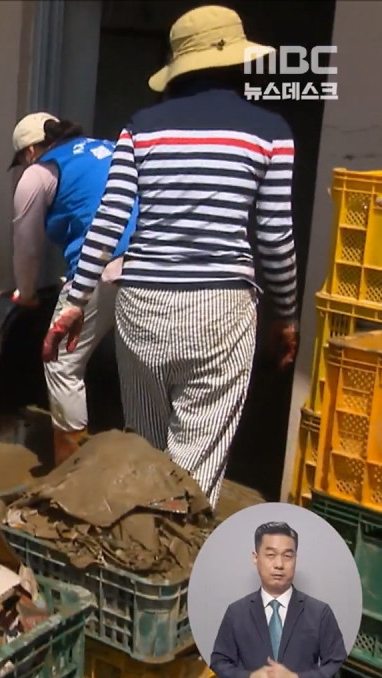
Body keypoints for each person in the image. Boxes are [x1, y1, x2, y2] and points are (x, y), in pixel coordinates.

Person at [44, 6, 299, 507]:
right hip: (219, 313)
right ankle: (172, 566)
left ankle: (133, 558)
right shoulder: (271, 131)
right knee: (192, 468)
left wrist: (74, 300)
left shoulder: (141, 126)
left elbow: (110, 221)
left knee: (145, 448)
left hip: (141, 306)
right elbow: (274, 237)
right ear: (241, 61)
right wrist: (286, 315)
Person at [9, 112, 136, 465]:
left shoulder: (39, 173)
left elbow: (27, 246)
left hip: (105, 266)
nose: (23, 165)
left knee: (62, 360)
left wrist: (27, 292)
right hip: (157, 264)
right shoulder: (109, 148)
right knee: (144, 367)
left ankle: (70, 464)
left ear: (31, 150)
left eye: (21, 159)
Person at [210, 522, 346, 678]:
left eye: (287, 556)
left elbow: (337, 664)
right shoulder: (236, 612)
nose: (279, 565)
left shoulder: (320, 613)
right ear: (255, 558)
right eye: (271, 555)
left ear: (296, 559)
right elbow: (219, 663)